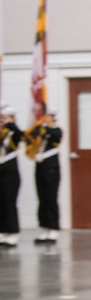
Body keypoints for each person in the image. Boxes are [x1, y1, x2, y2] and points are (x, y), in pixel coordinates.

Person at [23, 111, 61, 243]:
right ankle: (44, 228)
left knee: (51, 198)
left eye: (47, 116)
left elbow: (53, 137)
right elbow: (30, 137)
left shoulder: (57, 130)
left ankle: (54, 229)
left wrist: (44, 128)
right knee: (42, 198)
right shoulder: (40, 129)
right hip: (40, 166)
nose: (44, 118)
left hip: (51, 168)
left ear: (52, 117)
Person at [0, 103, 23, 247]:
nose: (1, 120)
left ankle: (13, 232)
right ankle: (2, 231)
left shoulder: (13, 132)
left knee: (9, 202)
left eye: (4, 117)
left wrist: (10, 123)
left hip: (10, 172)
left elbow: (20, 134)